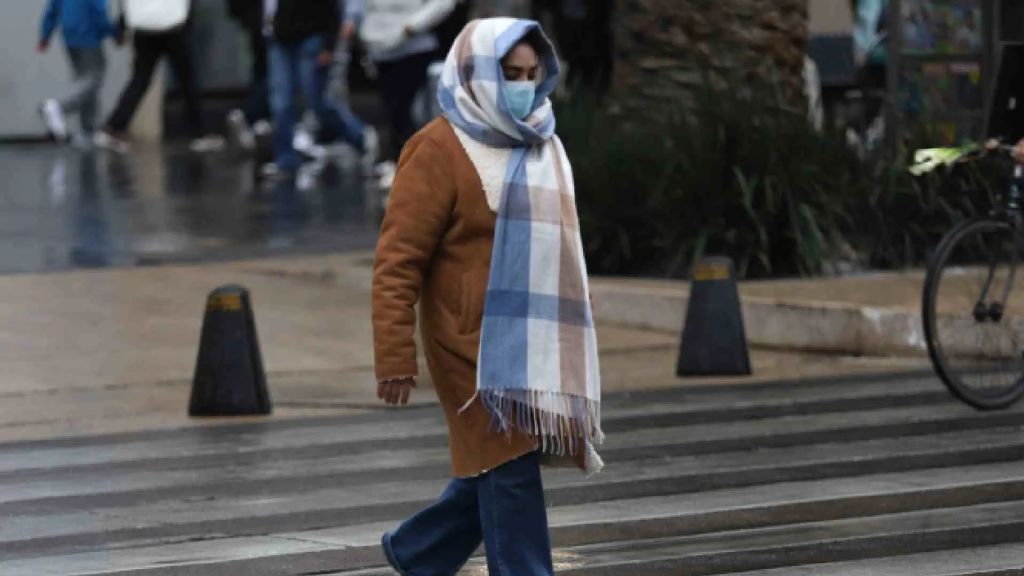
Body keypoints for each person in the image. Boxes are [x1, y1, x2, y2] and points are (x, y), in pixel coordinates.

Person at [371, 18, 603, 574]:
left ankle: (417, 553)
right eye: (510, 74)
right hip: (468, 348)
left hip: (534, 341)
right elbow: (396, 263)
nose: (523, 87)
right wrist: (395, 357)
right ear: (476, 74)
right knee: (511, 471)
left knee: (497, 468)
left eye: (531, 74)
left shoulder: (541, 140)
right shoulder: (435, 150)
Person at [345, 0, 456, 187]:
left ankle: (409, 165)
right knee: (392, 110)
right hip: (379, 49)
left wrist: (412, 26)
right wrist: (364, 33)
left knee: (403, 110)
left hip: (413, 47)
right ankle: (401, 161)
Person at [94, 0, 224, 153]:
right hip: (173, 29)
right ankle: (200, 133)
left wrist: (122, 25)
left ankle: (113, 127)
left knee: (140, 80)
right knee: (187, 80)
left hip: (144, 28)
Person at [266, 0, 376, 181]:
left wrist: (328, 45)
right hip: (281, 37)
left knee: (316, 100)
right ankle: (285, 161)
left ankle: (358, 135)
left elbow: (333, 9)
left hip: (313, 36)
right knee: (281, 102)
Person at [37, 0, 122, 147]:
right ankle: (59, 107)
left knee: (84, 81)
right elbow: (99, 14)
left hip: (70, 37)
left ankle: (87, 131)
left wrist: (45, 35)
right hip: (88, 36)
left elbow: (52, 10)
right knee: (93, 80)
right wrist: (114, 33)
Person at [226, 0, 272, 151]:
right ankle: (248, 114)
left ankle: (259, 115)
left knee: (262, 70)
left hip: (264, 21)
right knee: (275, 75)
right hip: (270, 23)